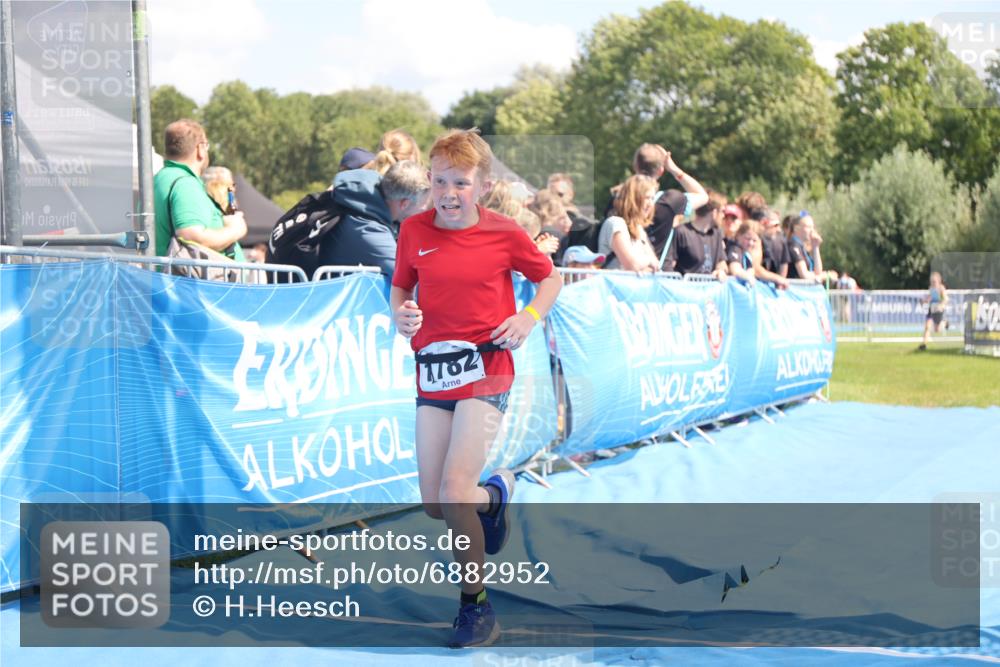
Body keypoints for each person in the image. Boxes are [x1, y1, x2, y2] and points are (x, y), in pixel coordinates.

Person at [390, 129, 561, 648]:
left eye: (459, 183)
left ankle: (477, 608)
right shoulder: (413, 230)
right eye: (439, 181)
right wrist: (402, 314)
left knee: (452, 489)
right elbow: (401, 286)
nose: (447, 193)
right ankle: (495, 497)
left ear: (483, 186)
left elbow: (549, 279)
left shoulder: (505, 232)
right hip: (434, 371)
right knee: (435, 503)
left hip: (488, 368)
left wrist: (528, 317)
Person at [315, 160, 430, 277]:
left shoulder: (372, 209)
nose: (424, 212)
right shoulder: (369, 228)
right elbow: (411, 277)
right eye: (423, 206)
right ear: (404, 204)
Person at [153, 119, 246, 259]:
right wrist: (235, 229)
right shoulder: (185, 184)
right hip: (188, 280)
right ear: (200, 149)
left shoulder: (158, 180)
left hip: (170, 277)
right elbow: (192, 235)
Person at [605, 144, 709, 262]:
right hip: (657, 273)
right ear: (661, 170)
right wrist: (674, 168)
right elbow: (703, 196)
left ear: (635, 166)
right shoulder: (670, 201)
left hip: (622, 272)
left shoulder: (617, 198)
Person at [597, 175, 660, 272]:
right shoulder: (616, 224)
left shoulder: (639, 229)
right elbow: (633, 265)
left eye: (652, 198)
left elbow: (656, 266)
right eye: (647, 198)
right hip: (615, 286)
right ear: (633, 198)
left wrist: (648, 263)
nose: (651, 204)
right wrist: (649, 262)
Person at [662, 191, 728, 279]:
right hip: (686, 290)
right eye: (722, 211)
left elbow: (721, 261)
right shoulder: (681, 232)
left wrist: (720, 271)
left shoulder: (716, 234)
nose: (724, 216)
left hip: (709, 291)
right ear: (714, 212)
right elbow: (668, 265)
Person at [728, 222, 789, 288]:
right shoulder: (735, 248)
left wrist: (777, 278)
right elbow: (735, 269)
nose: (750, 243)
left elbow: (756, 270)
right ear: (738, 236)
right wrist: (747, 277)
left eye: (754, 240)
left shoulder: (747, 255)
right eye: (747, 239)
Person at [786, 211, 824, 282]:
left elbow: (818, 271)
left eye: (813, 227)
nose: (812, 230)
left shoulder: (801, 246)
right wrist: (824, 275)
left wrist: (816, 247)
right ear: (796, 228)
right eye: (808, 227)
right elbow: (804, 275)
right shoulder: (793, 245)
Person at [919, 271, 949, 350]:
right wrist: (924, 301)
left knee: (937, 330)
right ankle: (924, 344)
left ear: (939, 281)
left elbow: (946, 299)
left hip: (939, 310)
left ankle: (945, 323)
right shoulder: (931, 288)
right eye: (931, 281)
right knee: (927, 326)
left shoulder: (941, 288)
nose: (932, 283)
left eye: (934, 281)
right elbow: (930, 297)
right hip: (931, 309)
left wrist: (941, 305)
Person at [761, 208, 791, 277]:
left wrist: (780, 280)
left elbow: (784, 263)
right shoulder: (757, 240)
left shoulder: (781, 241)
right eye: (775, 225)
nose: (778, 229)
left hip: (776, 281)